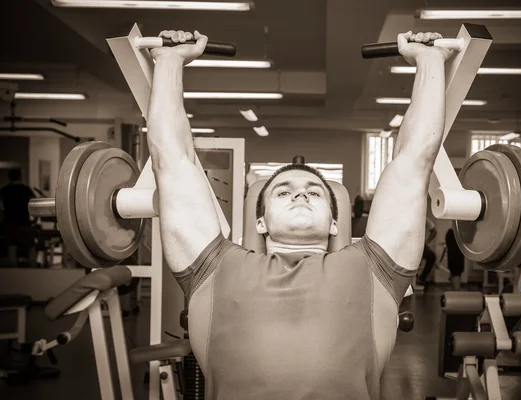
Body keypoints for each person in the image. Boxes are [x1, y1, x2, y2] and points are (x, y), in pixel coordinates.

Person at [147, 29, 451, 399]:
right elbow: (171, 161)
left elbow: (415, 161)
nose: (300, 194)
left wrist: (429, 61)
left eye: (315, 192)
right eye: (283, 191)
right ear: (260, 221)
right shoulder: (214, 269)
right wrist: (168, 61)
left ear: (335, 220)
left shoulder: (374, 271)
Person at [0, 168, 36, 266]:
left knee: (12, 247)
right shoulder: (26, 189)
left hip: (9, 223)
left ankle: (14, 273)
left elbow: (1, 208)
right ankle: (33, 271)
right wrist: (34, 221)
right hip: (24, 223)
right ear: (20, 177)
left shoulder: (4, 190)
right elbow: (34, 205)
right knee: (31, 247)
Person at [417, 217, 438, 286]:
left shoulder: (424, 218)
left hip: (421, 246)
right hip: (409, 245)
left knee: (432, 257)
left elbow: (434, 231)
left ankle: (421, 278)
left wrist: (426, 242)